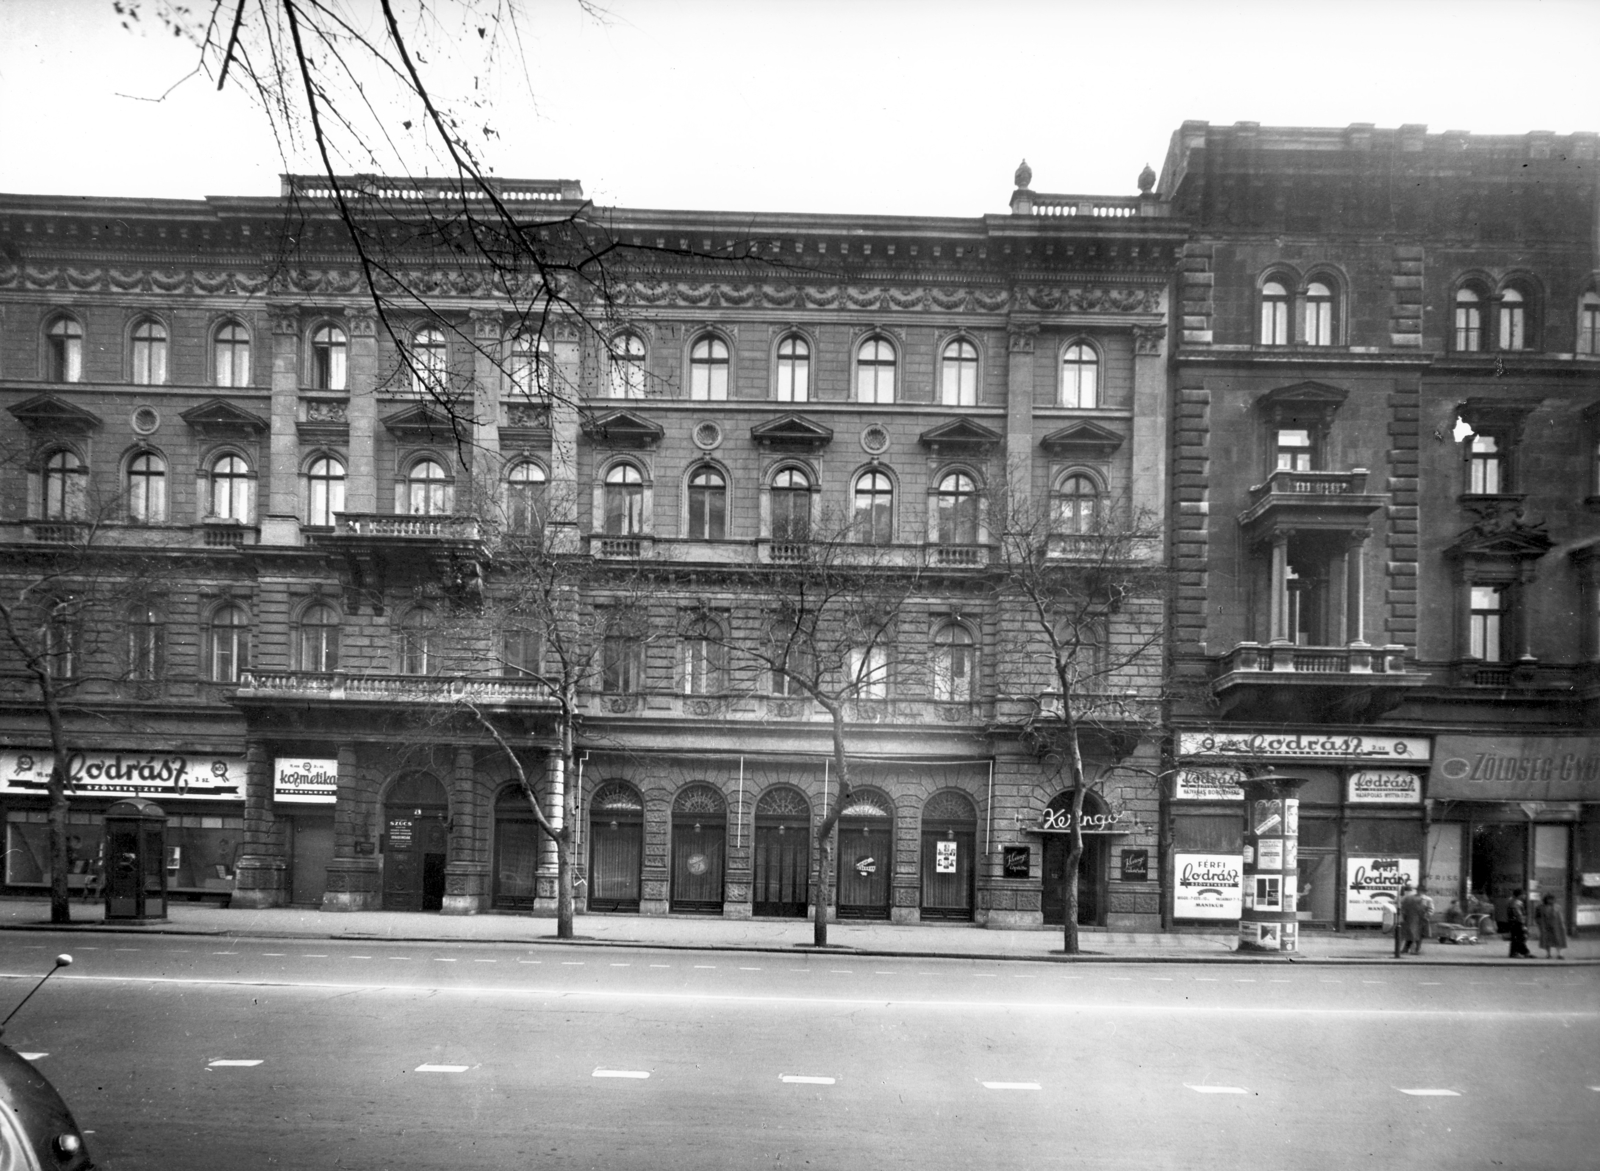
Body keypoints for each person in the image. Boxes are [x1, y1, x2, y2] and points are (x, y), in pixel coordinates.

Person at [1534, 893, 1568, 959]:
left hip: (1557, 926)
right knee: (1546, 940)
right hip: (1545, 926)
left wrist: (1562, 925)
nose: (1551, 901)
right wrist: (1539, 924)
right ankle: (1548, 954)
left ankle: (1559, 954)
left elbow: (1561, 917)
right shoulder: (1540, 907)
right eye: (1549, 899)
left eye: (1552, 899)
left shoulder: (1557, 907)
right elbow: (1537, 917)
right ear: (1546, 900)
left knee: (1558, 939)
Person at [1398, 884, 1428, 955]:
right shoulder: (1422, 899)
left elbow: (1403, 908)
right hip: (1418, 920)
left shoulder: (1408, 898)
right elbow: (1422, 909)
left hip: (1407, 919)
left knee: (1409, 935)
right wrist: (1425, 917)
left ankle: (1405, 949)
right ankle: (1414, 950)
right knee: (1417, 936)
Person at [1506, 888, 1533, 958]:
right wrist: (1523, 924)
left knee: (1517, 938)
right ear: (1520, 895)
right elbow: (1519, 914)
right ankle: (1516, 953)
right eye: (1524, 894)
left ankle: (1524, 952)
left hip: (1513, 922)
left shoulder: (1512, 901)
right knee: (1519, 938)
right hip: (1517, 922)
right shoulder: (1517, 903)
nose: (1525, 896)